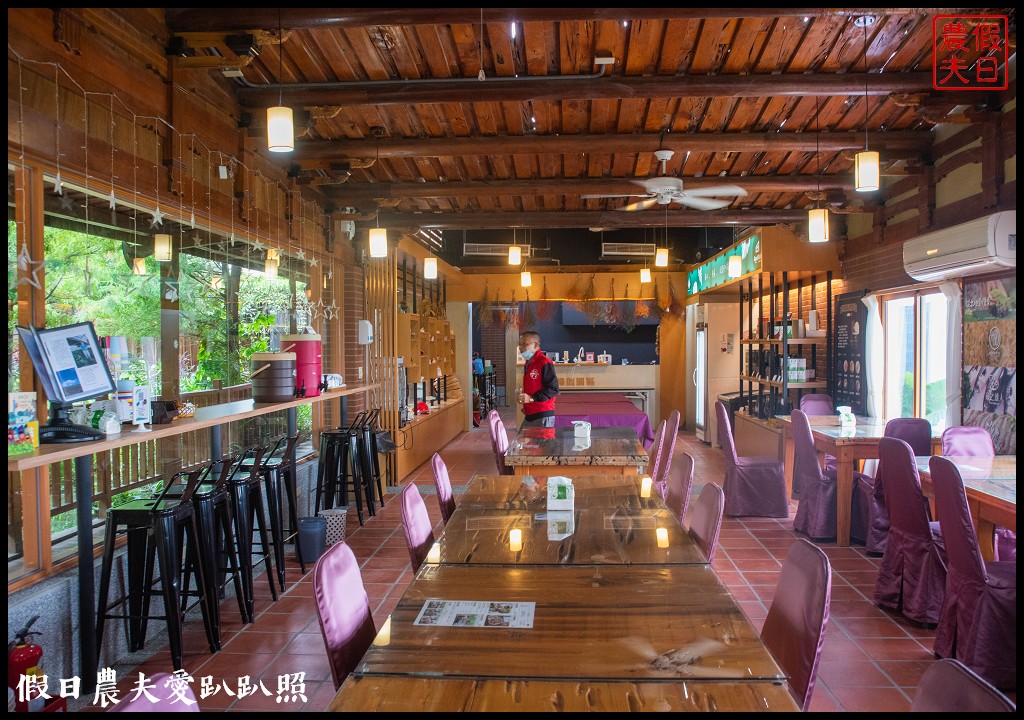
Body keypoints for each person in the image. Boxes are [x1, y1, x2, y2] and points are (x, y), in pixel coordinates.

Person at [517, 331, 559, 428]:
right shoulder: (528, 363)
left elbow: (553, 389)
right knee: (522, 441)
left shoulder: (544, 362)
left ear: (535, 345)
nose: (521, 347)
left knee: (542, 443)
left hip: (542, 413)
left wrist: (532, 398)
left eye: (525, 344)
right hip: (530, 413)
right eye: (520, 344)